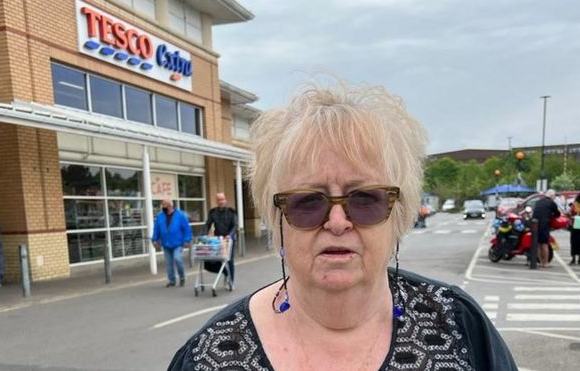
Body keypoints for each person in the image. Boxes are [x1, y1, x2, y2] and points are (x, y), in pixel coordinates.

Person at [168, 82, 517, 370]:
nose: (337, 222)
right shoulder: (209, 357)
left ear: (399, 212)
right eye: (307, 201)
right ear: (277, 219)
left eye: (365, 198)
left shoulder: (458, 325)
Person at [152, 199, 192, 287]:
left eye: (164, 206)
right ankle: (172, 280)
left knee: (177, 259)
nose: (163, 208)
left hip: (178, 243)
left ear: (170, 206)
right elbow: (156, 229)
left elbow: (186, 229)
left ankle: (182, 277)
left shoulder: (180, 215)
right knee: (168, 263)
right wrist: (155, 239)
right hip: (166, 243)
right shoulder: (160, 216)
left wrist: (187, 240)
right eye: (162, 206)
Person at [203, 192, 237, 284]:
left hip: (229, 240)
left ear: (225, 200)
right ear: (216, 201)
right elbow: (208, 224)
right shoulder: (213, 212)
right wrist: (205, 235)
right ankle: (225, 273)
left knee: (229, 260)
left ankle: (231, 281)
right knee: (210, 262)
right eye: (219, 200)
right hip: (218, 241)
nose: (221, 201)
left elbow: (235, 226)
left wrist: (229, 235)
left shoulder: (231, 212)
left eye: (222, 199)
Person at [532, 189, 561, 268]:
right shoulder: (552, 203)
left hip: (534, 225)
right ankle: (545, 263)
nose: (554, 198)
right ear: (551, 196)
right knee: (544, 244)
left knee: (537, 244)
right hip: (544, 225)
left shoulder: (539, 202)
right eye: (554, 196)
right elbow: (557, 214)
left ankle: (540, 262)